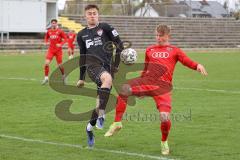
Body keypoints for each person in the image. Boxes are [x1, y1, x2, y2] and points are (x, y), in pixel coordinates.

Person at [104, 24, 208, 155]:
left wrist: (197, 65)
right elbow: (146, 68)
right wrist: (140, 89)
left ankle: (164, 142)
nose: (158, 38)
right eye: (157, 35)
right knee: (124, 89)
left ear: (168, 36)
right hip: (147, 82)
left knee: (164, 117)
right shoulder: (150, 50)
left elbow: (186, 60)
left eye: (161, 36)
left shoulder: (174, 50)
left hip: (163, 88)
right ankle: (117, 123)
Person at [76, 4, 123, 147]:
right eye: (89, 13)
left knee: (101, 99)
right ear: (85, 16)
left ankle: (89, 128)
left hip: (108, 66)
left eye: (94, 13)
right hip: (93, 67)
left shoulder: (106, 28)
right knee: (107, 80)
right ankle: (101, 114)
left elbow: (120, 45)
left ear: (98, 15)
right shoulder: (81, 34)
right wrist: (81, 78)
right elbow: (82, 56)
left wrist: (116, 65)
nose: (92, 15)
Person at [42, 19, 67, 85]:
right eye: (52, 23)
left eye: (54, 23)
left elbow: (65, 39)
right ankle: (46, 78)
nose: (53, 24)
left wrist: (60, 44)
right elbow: (46, 37)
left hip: (58, 51)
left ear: (56, 24)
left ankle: (63, 75)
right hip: (51, 50)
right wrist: (46, 42)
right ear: (51, 24)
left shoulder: (60, 31)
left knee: (60, 65)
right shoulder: (49, 31)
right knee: (46, 63)